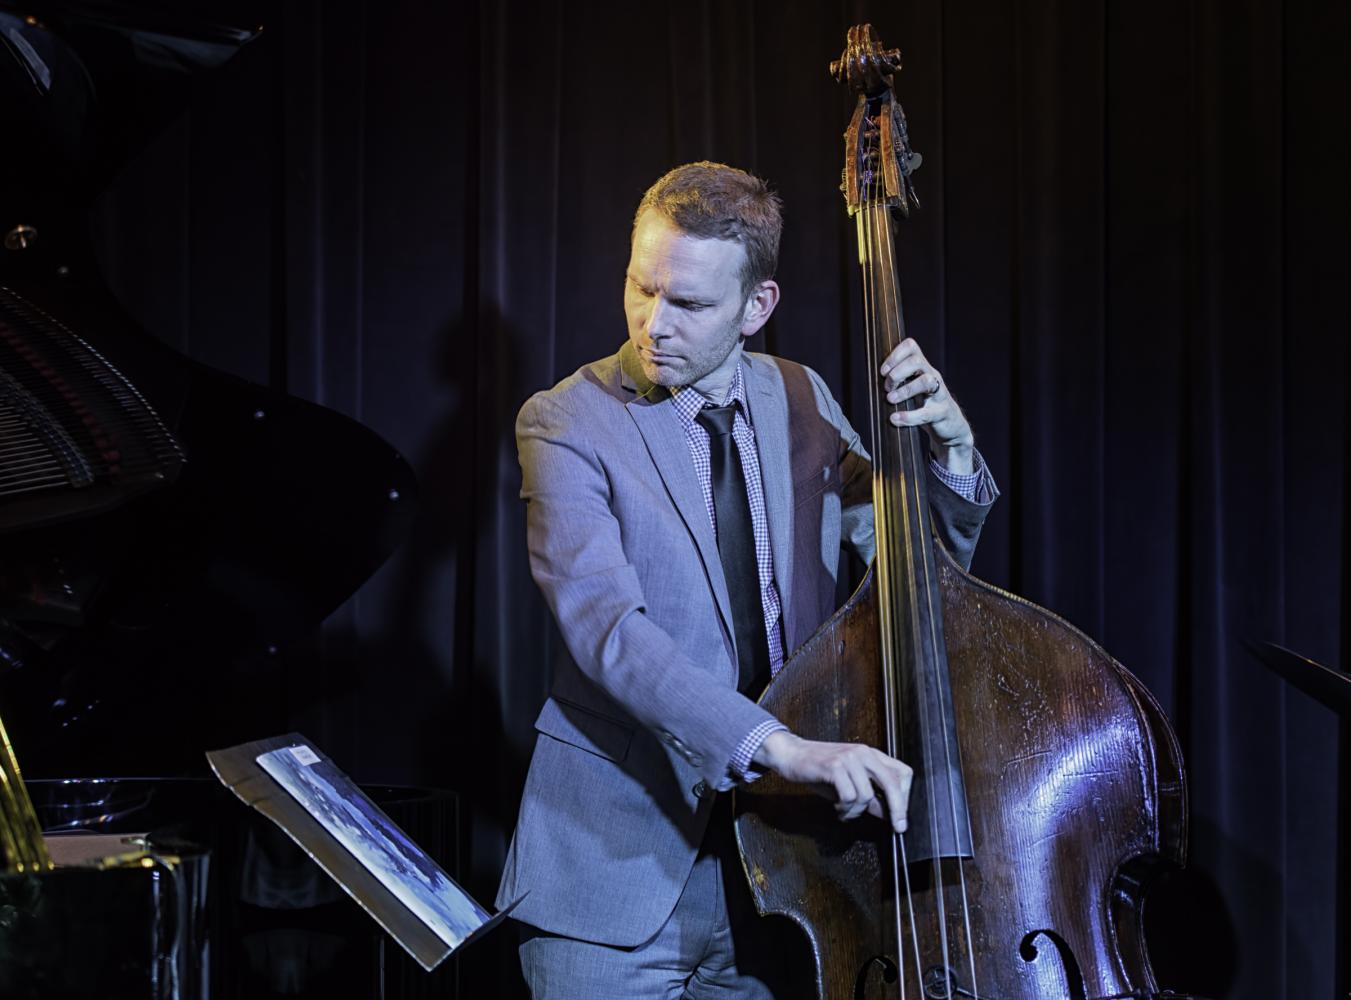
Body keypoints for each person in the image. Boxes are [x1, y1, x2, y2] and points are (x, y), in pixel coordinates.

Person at [496, 161, 997, 998]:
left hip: (785, 877)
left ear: (755, 308)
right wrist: (782, 749)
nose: (654, 324)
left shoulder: (800, 396)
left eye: (689, 304)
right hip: (612, 874)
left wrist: (949, 452)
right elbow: (608, 633)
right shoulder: (564, 420)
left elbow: (912, 580)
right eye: (640, 287)